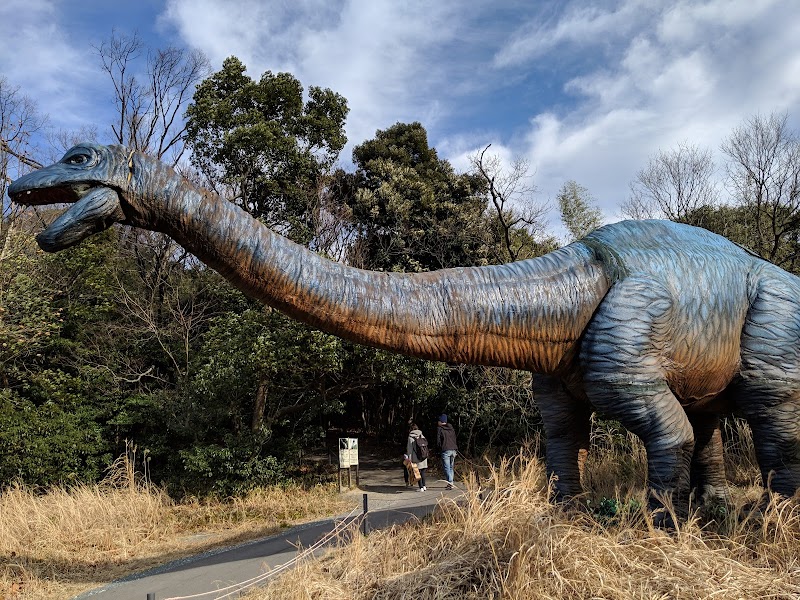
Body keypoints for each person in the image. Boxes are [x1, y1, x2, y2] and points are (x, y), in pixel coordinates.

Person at [437, 414, 458, 490]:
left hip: (446, 449)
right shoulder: (451, 428)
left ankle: (450, 482)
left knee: (446, 468)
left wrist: (439, 448)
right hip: (453, 449)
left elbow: (438, 441)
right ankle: (450, 482)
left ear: (441, 421)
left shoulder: (440, 429)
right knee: (451, 467)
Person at [406, 423, 428, 491]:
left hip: (416, 457)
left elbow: (409, 450)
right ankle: (424, 486)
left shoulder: (410, 437)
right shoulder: (421, 435)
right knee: (423, 472)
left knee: (417, 473)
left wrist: (409, 459)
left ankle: (421, 487)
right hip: (424, 457)